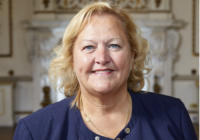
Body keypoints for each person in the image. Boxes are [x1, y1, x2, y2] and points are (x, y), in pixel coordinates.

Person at [13, 2, 197, 140]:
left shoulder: (174, 115)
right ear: (71, 59)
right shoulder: (34, 131)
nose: (102, 58)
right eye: (88, 47)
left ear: (132, 55)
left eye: (114, 45)